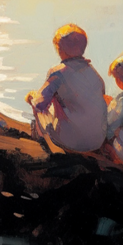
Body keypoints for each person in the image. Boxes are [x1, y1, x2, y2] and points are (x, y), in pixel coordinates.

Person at [25, 23, 108, 152]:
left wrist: (31, 98)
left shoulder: (58, 72)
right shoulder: (94, 74)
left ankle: (40, 139)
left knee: (35, 99)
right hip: (96, 142)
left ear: (60, 49)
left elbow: (39, 104)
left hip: (70, 141)